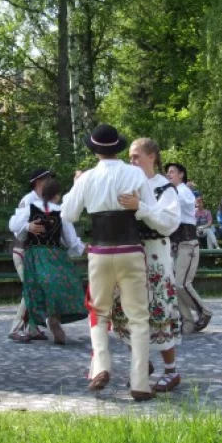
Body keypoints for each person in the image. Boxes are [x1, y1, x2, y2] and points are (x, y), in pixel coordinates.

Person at [62, 123, 158, 401]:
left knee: (99, 311)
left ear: (94, 150)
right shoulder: (135, 174)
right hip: (130, 248)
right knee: (138, 317)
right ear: (118, 148)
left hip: (100, 252)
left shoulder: (87, 178)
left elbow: (68, 214)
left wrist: (77, 184)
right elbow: (147, 212)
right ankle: (140, 383)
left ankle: (101, 365)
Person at [112, 137, 183, 392]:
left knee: (158, 305)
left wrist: (139, 206)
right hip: (129, 252)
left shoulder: (164, 187)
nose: (131, 161)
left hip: (154, 252)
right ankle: (142, 362)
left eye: (135, 156)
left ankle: (171, 370)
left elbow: (169, 223)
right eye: (130, 157)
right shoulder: (127, 184)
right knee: (125, 307)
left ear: (151, 156)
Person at [9, 177, 86, 345]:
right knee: (59, 286)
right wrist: (83, 249)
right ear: (57, 196)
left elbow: (14, 225)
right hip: (55, 254)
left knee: (35, 289)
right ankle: (51, 319)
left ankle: (44, 321)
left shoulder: (29, 209)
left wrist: (27, 227)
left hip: (34, 254)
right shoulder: (61, 212)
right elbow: (71, 241)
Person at [6, 168, 54, 343]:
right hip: (23, 251)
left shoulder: (47, 200)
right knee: (31, 289)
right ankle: (16, 328)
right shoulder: (28, 200)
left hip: (37, 254)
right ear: (38, 182)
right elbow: (14, 224)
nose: (50, 181)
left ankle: (32, 328)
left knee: (37, 289)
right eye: (47, 179)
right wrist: (28, 227)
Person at [165, 162, 211, 333]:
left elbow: (180, 203)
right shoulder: (172, 192)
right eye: (167, 172)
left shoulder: (184, 191)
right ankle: (188, 322)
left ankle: (204, 311)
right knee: (176, 285)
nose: (168, 175)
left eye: (172, 172)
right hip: (176, 244)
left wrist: (167, 191)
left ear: (181, 175)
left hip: (188, 243)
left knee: (182, 283)